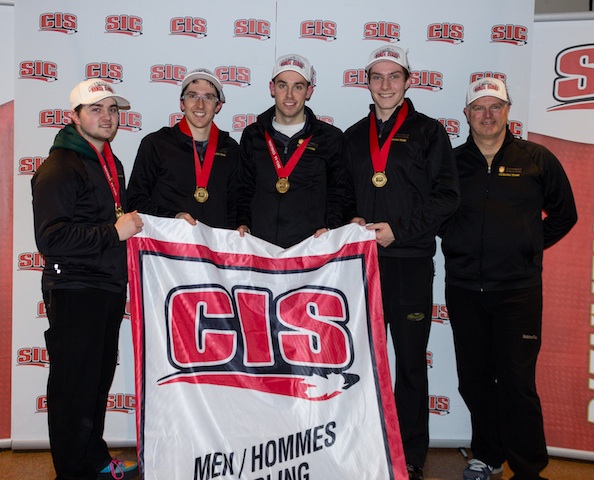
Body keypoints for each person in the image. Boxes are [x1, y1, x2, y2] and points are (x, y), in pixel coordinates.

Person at [439, 78, 577, 480]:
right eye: (479, 107)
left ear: (508, 111)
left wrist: (529, 245)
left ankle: (529, 467)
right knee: (475, 379)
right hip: (464, 288)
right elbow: (436, 213)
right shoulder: (450, 163)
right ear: (466, 114)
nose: (487, 115)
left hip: (518, 292)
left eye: (495, 107)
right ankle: (487, 455)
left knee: (517, 383)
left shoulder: (537, 158)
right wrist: (462, 242)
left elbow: (565, 215)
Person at [343, 46, 460, 480]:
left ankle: (410, 453)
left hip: (409, 261)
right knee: (359, 362)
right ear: (367, 82)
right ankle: (361, 443)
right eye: (378, 77)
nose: (386, 85)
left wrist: (400, 229)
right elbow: (342, 194)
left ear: (409, 81)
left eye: (395, 77)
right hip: (360, 266)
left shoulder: (429, 133)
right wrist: (349, 218)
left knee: (410, 361)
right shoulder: (353, 136)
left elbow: (447, 196)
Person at [31, 79, 143, 480]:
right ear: (74, 116)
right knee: (73, 389)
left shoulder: (110, 163)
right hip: (75, 289)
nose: (107, 117)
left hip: (104, 287)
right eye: (96, 109)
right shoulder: (60, 167)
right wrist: (114, 233)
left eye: (112, 110)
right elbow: (52, 238)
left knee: (94, 385)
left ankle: (93, 462)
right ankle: (74, 472)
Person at [236, 53, 347, 248]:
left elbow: (339, 192)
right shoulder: (252, 135)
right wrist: (242, 223)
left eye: (298, 86)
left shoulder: (331, 137)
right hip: (260, 248)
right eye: (282, 85)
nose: (289, 95)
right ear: (272, 88)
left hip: (311, 251)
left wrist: (331, 227)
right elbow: (244, 189)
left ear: (309, 91)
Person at [127, 68, 239, 228]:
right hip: (168, 248)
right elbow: (134, 201)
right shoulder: (156, 144)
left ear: (218, 106)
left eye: (208, 97)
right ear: (182, 103)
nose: (200, 105)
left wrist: (241, 226)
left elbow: (235, 205)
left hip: (215, 249)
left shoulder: (230, 149)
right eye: (193, 96)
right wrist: (172, 217)